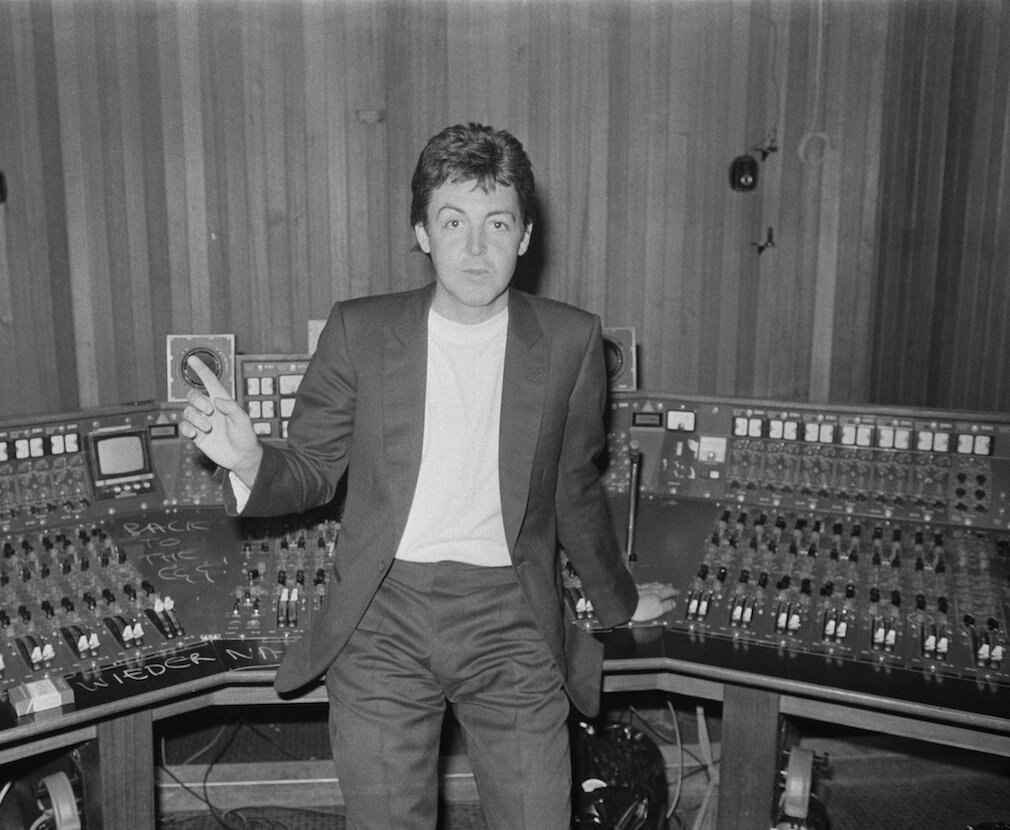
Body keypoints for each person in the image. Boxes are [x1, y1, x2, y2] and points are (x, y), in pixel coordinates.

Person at [179, 123, 678, 830]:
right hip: (384, 616)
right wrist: (251, 459)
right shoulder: (359, 331)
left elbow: (574, 489)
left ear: (526, 235)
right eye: (453, 222)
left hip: (512, 619)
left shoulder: (571, 341)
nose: (476, 248)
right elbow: (315, 471)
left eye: (496, 222)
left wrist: (619, 601)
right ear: (422, 232)